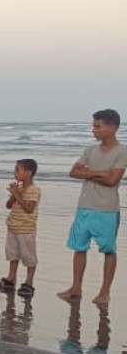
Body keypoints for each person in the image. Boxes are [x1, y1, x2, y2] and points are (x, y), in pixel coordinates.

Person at [58, 109, 127, 305]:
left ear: (112, 128)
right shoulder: (90, 150)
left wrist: (90, 172)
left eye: (98, 126)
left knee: (108, 249)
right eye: (93, 126)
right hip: (85, 205)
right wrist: (100, 173)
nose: (93, 130)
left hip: (107, 208)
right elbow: (73, 172)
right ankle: (75, 287)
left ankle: (105, 291)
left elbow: (112, 180)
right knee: (79, 247)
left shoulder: (122, 151)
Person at [0, 159, 41, 296]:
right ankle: (11, 278)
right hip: (13, 226)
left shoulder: (34, 190)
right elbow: (8, 205)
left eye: (18, 170)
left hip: (26, 229)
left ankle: (29, 282)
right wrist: (14, 195)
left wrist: (17, 195)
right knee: (13, 254)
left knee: (28, 256)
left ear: (29, 173)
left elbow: (29, 209)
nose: (15, 173)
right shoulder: (18, 188)